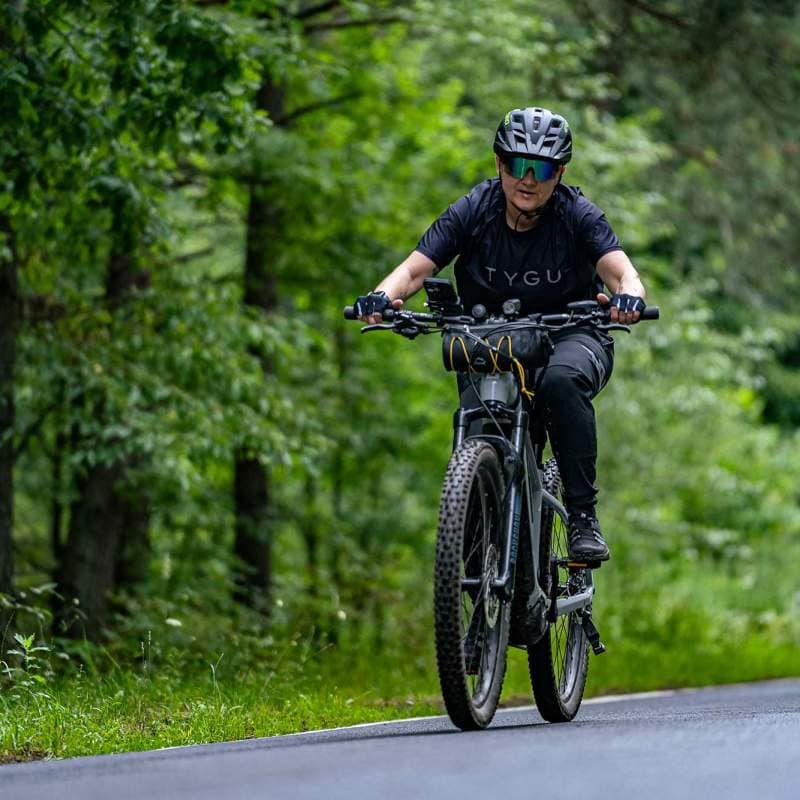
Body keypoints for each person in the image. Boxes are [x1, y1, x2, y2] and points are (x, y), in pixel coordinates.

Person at [352, 106, 647, 562]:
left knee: (561, 382)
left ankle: (583, 517)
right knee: (482, 426)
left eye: (541, 169)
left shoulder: (577, 215)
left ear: (560, 173)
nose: (527, 179)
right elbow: (412, 271)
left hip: (570, 334)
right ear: (498, 163)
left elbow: (623, 274)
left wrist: (628, 298)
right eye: (516, 164)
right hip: (491, 338)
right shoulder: (475, 209)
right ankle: (478, 543)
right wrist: (380, 297)